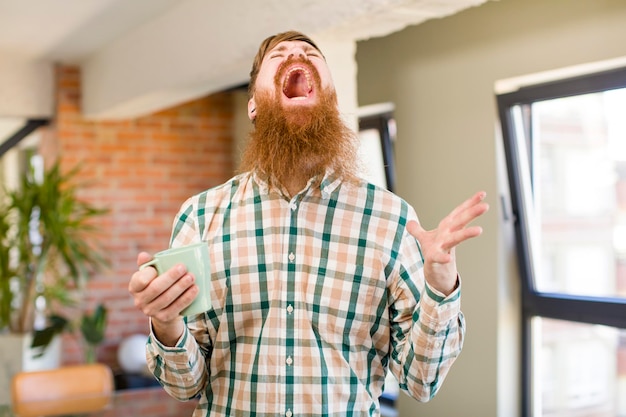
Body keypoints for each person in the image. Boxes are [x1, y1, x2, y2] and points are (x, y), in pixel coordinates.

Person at [128, 30, 489, 416]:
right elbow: (185, 386)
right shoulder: (200, 216)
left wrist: (440, 286)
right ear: (253, 107)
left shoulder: (391, 219)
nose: (296, 54)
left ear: (331, 101)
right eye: (278, 54)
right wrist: (166, 323)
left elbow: (421, 381)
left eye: (310, 53)